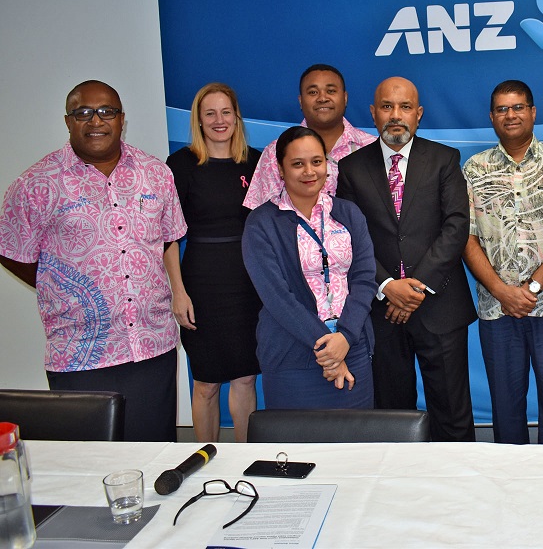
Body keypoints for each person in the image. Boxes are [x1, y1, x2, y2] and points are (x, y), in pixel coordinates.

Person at [0, 80, 187, 441]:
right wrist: (60, 285)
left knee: (154, 453)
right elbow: (11, 250)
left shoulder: (155, 173)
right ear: (68, 121)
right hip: (80, 353)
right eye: (83, 112)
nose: (96, 120)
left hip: (152, 346)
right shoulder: (36, 183)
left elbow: (167, 237)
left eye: (106, 112)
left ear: (121, 119)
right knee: (90, 461)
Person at [337, 77, 477, 441]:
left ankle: (457, 476)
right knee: (392, 416)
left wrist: (416, 288)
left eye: (405, 107)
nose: (395, 115)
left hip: (439, 306)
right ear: (373, 113)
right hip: (381, 311)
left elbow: (456, 226)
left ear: (419, 114)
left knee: (452, 413)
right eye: (387, 106)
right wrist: (387, 285)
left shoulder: (445, 159)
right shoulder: (351, 168)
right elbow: (349, 238)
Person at [463, 80, 543, 444]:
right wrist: (502, 291)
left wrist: (531, 287)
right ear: (492, 117)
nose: (511, 115)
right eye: (502, 109)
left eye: (518, 107)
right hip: (498, 309)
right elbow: (466, 239)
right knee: (505, 407)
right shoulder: (474, 169)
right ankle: (511, 476)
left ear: (533, 112)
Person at [242, 126, 376, 409]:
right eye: (297, 164)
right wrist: (329, 350)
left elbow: (364, 280)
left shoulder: (349, 213)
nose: (309, 171)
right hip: (291, 354)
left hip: (352, 347)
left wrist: (345, 338)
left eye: (317, 161)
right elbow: (277, 297)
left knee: (357, 437)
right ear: (280, 169)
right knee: (297, 438)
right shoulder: (261, 223)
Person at [165, 83, 262, 443]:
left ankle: (244, 457)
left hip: (248, 283)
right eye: (210, 113)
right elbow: (168, 236)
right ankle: (205, 460)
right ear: (199, 120)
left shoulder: (257, 162)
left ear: (237, 117)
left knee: (246, 377)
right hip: (201, 284)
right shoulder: (180, 165)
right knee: (205, 382)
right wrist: (178, 293)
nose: (219, 120)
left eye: (226, 112)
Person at [243, 64, 375, 209]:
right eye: (313, 92)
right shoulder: (275, 152)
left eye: (331, 91)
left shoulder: (372, 147)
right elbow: (263, 215)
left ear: (345, 98)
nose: (322, 98)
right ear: (301, 101)